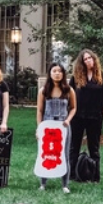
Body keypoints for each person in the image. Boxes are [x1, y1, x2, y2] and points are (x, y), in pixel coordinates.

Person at [69, 49, 103, 183]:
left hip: (95, 117)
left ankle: (95, 176)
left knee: (94, 148)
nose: (88, 61)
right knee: (74, 147)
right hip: (78, 117)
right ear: (82, 62)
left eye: (90, 58)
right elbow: (69, 95)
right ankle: (72, 175)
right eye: (85, 59)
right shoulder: (76, 77)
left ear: (94, 59)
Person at [37, 62, 76, 193]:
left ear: (63, 74)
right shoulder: (43, 90)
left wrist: (68, 120)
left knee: (64, 154)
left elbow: (74, 108)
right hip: (48, 125)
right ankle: (43, 183)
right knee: (46, 153)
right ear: (50, 73)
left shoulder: (69, 90)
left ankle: (65, 184)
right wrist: (39, 128)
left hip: (63, 126)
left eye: (60, 71)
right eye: (54, 71)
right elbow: (39, 111)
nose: (57, 73)